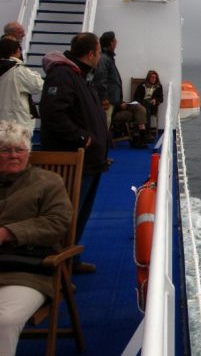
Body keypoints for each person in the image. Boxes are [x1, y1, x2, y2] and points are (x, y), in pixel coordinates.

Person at [39, 33, 109, 274]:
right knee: (67, 215)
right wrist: (82, 137)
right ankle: (56, 268)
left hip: (89, 160)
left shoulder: (79, 75)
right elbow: (53, 113)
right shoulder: (64, 74)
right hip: (73, 160)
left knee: (79, 215)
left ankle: (70, 261)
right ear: (91, 54)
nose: (99, 57)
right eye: (99, 53)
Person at [0, 120, 72, 355]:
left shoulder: (48, 183)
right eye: (5, 150)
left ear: (28, 153)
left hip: (25, 271)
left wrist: (8, 233)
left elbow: (57, 222)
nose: (13, 155)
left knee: (5, 320)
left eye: (19, 150)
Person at [94, 31, 151, 148]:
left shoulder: (108, 58)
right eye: (115, 40)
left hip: (116, 103)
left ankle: (140, 137)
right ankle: (101, 148)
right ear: (111, 43)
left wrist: (120, 103)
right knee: (105, 124)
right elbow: (101, 80)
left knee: (139, 108)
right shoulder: (104, 59)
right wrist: (104, 98)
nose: (117, 42)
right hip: (108, 103)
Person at [0, 37, 43, 132]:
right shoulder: (18, 70)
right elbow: (37, 86)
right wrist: (35, 73)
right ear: (15, 52)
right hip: (17, 123)